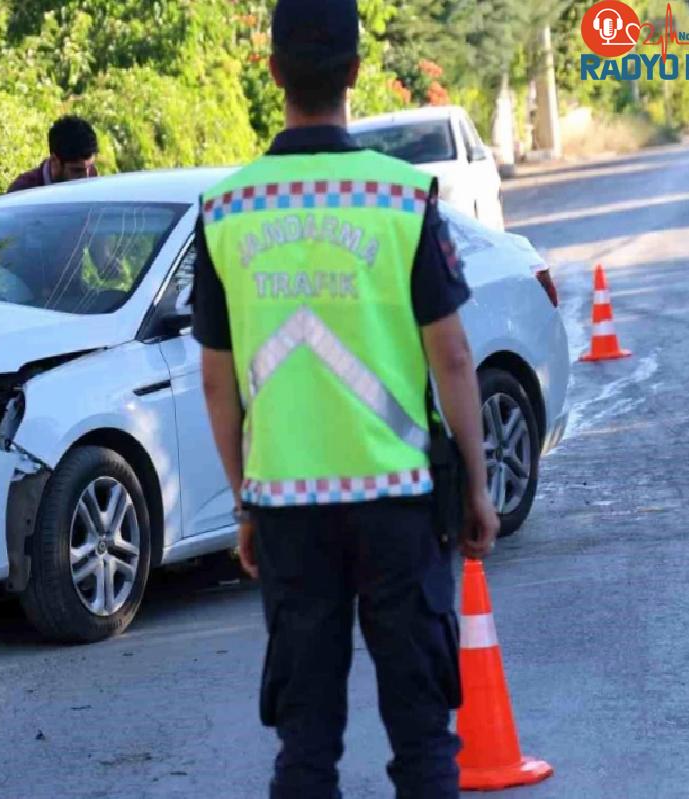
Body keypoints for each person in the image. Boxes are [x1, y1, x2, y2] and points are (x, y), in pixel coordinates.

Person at [190, 1, 500, 796]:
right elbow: (454, 356)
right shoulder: (403, 198)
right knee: (425, 740)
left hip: (290, 508)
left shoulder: (226, 210)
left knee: (306, 746)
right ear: (356, 72)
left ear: (272, 73)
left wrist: (245, 501)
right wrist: (477, 484)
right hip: (400, 503)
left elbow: (218, 381)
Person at [7, 115, 100, 193]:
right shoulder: (23, 192)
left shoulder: (92, 179)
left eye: (90, 167)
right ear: (55, 161)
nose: (86, 178)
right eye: (76, 171)